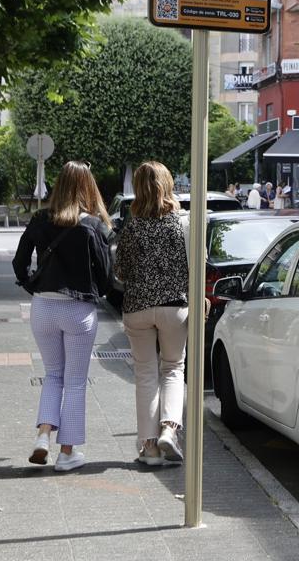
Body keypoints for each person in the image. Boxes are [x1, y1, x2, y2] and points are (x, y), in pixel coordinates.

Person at [12, 160, 113, 472]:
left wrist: (35, 286)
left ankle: (43, 436)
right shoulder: (93, 225)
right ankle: (67, 453)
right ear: (88, 188)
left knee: (52, 374)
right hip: (78, 311)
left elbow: (19, 262)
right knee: (76, 381)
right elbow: (106, 275)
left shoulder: (41, 219)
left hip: (42, 308)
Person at [114, 161, 193, 466]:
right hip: (175, 306)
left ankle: (149, 449)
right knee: (173, 368)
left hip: (138, 308)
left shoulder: (131, 227)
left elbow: (120, 273)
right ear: (168, 185)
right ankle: (170, 430)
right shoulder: (182, 224)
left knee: (145, 374)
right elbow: (195, 266)